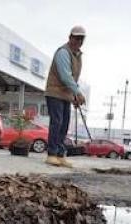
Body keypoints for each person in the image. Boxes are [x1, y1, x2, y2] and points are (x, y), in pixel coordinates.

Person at [44, 26, 87, 168]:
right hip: (55, 92)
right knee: (57, 122)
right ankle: (51, 154)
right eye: (76, 38)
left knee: (64, 124)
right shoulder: (63, 52)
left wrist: (73, 96)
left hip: (65, 95)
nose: (78, 41)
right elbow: (65, 76)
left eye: (81, 38)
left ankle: (60, 155)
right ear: (70, 37)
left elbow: (72, 79)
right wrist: (78, 93)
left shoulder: (77, 55)